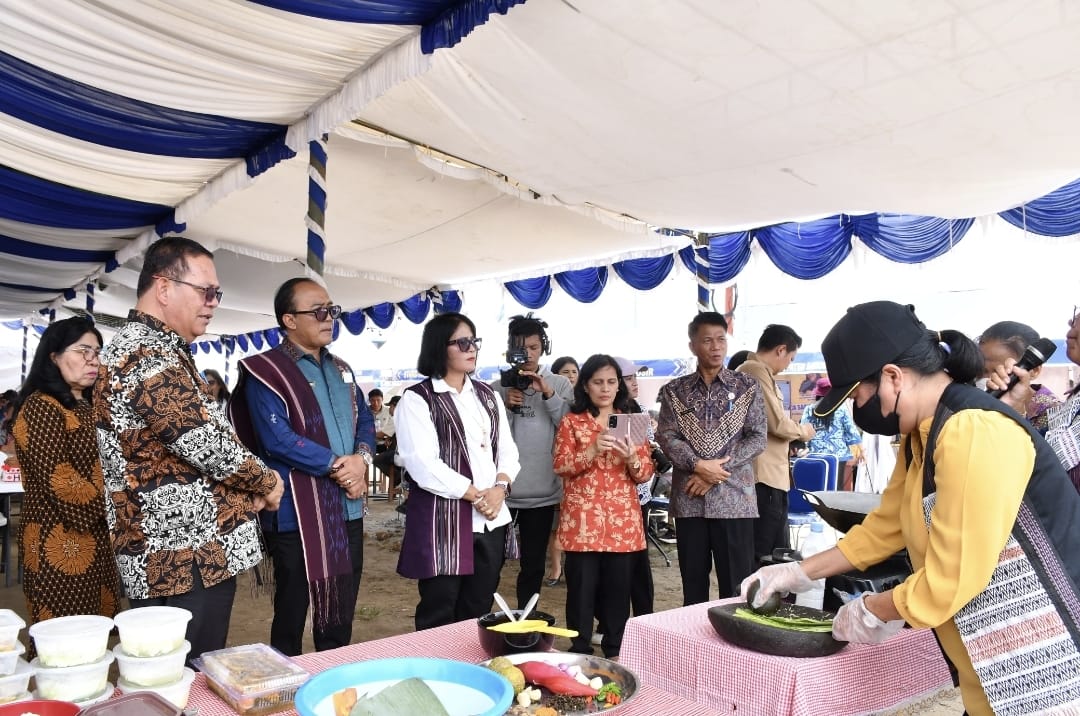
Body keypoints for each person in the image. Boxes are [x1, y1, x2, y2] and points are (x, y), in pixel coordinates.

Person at [743, 301, 1080, 715]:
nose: (859, 409)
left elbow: (951, 578)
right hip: (992, 671)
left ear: (892, 377)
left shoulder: (974, 430)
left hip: (1047, 672)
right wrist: (798, 572)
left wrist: (872, 608)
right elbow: (886, 526)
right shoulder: (924, 433)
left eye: (858, 396)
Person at [94, 237, 284, 662]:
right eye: (206, 291)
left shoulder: (155, 349)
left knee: (169, 671)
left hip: (178, 555)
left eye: (217, 293)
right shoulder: (146, 353)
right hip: (182, 558)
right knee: (184, 674)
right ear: (164, 288)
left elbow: (192, 444)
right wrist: (267, 482)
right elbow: (206, 444)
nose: (213, 302)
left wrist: (244, 489)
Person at [229, 278, 375, 656]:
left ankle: (332, 673)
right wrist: (338, 467)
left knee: (340, 606)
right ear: (289, 320)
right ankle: (286, 681)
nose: (329, 318)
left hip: (345, 507)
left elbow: (364, 420)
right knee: (293, 609)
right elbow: (275, 438)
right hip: (295, 511)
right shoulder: (266, 371)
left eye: (332, 310)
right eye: (318, 311)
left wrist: (361, 460)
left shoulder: (342, 369)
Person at [395, 313, 520, 630]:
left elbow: (507, 450)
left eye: (474, 341)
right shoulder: (418, 398)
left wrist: (500, 488)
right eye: (462, 342)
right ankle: (434, 662)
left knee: (479, 607)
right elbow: (423, 463)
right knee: (439, 609)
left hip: (491, 518)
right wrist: (478, 496)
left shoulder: (488, 395)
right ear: (440, 347)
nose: (472, 348)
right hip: (444, 520)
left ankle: (471, 662)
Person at [13, 317, 122, 640]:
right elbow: (60, 478)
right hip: (57, 539)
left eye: (97, 352)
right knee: (64, 638)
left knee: (95, 635)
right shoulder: (41, 406)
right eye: (83, 350)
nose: (93, 360)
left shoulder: (86, 406)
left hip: (96, 535)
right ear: (54, 356)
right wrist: (115, 505)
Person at [656, 312, 767, 604]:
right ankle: (695, 634)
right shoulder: (674, 391)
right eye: (707, 340)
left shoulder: (747, 387)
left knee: (737, 588)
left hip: (734, 500)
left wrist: (714, 472)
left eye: (721, 339)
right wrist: (698, 465)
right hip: (690, 500)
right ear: (692, 345)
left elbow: (758, 437)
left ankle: (733, 634)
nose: (716, 346)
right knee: (693, 586)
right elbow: (666, 436)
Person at [553, 354, 653, 657]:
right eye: (598, 382)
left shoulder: (632, 420)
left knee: (618, 592)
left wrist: (631, 458)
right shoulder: (572, 422)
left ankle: (615, 649)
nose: (605, 388)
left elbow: (645, 473)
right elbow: (560, 466)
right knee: (581, 591)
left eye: (611, 381)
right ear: (585, 385)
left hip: (622, 523)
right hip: (582, 523)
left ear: (619, 385)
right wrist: (592, 449)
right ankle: (580, 648)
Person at [489, 314, 573, 609]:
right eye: (520, 348)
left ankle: (527, 617)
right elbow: (485, 436)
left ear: (544, 348)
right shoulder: (496, 387)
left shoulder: (560, 384)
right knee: (491, 561)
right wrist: (504, 406)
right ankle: (482, 616)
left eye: (534, 347)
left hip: (542, 492)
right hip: (501, 491)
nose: (527, 354)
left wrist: (547, 393)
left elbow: (571, 428)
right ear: (509, 348)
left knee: (533, 562)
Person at [737, 324, 816, 561]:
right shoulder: (754, 370)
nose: (788, 365)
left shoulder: (759, 372)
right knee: (765, 553)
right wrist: (803, 432)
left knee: (776, 551)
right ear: (781, 350)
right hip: (764, 478)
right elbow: (777, 423)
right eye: (790, 358)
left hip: (771, 476)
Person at [989, 308, 1080, 494]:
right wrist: (1014, 408)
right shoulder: (1074, 403)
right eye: (1076, 316)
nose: (1072, 326)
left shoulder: (1050, 407)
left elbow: (1039, 472)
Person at [978, 320, 1059, 434]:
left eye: (1001, 371)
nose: (988, 379)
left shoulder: (1055, 415)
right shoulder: (971, 402)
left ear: (1034, 371)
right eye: (981, 371)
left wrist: (1016, 414)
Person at [545, 356, 579, 587]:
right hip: (557, 466)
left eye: (574, 371)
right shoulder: (551, 396)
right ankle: (556, 567)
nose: (571, 376)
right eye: (566, 372)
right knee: (556, 524)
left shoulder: (584, 402)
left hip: (578, 470)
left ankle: (571, 566)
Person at [800, 377, 862, 490]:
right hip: (838, 455)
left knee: (818, 486)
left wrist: (806, 447)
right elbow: (851, 431)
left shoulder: (809, 409)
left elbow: (804, 430)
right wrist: (860, 450)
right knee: (836, 487)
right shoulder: (841, 409)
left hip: (817, 454)